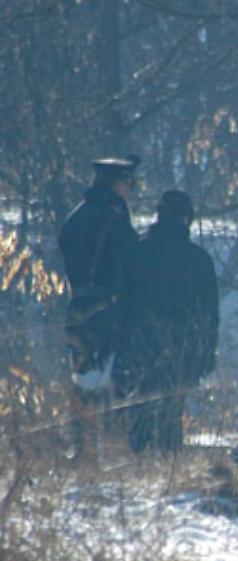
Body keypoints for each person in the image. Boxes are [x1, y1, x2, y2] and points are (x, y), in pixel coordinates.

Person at [114, 190, 219, 454]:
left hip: (138, 347)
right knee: (171, 415)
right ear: (187, 219)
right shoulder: (199, 260)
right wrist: (205, 357)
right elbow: (209, 316)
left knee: (139, 412)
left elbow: (120, 306)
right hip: (180, 352)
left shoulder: (135, 254)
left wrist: (119, 349)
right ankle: (168, 471)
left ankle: (137, 466)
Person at [57, 155, 141, 459]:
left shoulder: (76, 216)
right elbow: (129, 272)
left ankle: (81, 452)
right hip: (109, 315)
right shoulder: (115, 220)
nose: (131, 190)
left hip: (78, 311)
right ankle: (108, 457)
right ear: (117, 183)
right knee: (111, 388)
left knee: (82, 384)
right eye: (130, 183)